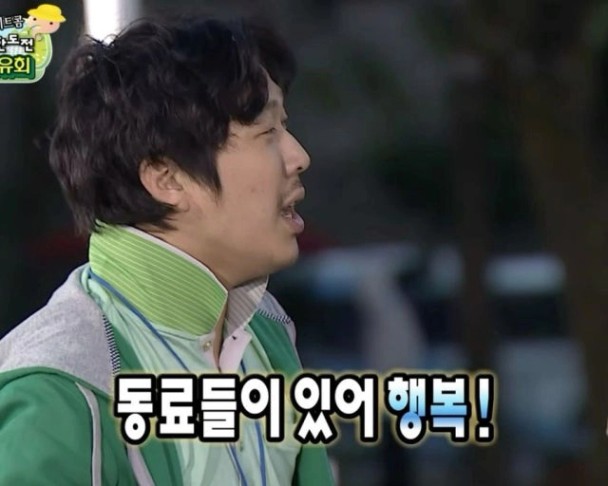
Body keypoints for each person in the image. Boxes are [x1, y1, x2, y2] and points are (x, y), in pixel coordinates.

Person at [0, 15, 334, 486]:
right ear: (167, 178)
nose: (299, 156)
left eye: (286, 126)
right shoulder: (60, 390)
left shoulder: (266, 333)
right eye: (266, 133)